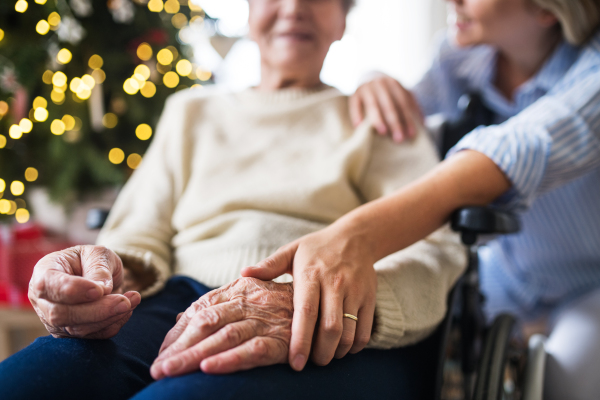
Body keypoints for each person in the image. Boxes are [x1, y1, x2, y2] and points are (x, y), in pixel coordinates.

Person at [0, 0, 466, 399]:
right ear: (248, 11)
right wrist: (98, 280)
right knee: (30, 382)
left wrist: (334, 304)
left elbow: (435, 251)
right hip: (174, 300)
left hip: (320, 321)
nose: (294, 7)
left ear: (342, 19)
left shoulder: (377, 117)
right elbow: (137, 233)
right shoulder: (193, 111)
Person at [245, 0, 600, 399]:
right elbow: (397, 128)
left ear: (546, 10)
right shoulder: (460, 56)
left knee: (565, 379)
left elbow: (519, 148)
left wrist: (356, 236)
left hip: (586, 283)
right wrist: (374, 80)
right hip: (505, 278)